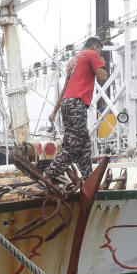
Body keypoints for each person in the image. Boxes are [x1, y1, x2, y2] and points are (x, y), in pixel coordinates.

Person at [43, 36, 108, 187]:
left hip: (68, 103)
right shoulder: (91, 55)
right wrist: (102, 65)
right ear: (94, 48)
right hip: (77, 103)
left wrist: (54, 112)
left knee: (84, 145)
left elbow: (65, 89)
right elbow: (103, 77)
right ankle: (48, 174)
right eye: (99, 52)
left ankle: (89, 180)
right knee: (73, 146)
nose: (99, 55)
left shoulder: (73, 61)